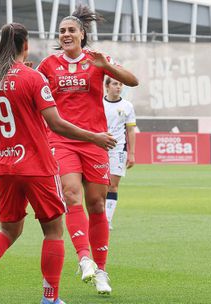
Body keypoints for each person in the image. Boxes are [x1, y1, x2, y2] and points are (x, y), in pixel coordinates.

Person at [0, 23, 116, 304]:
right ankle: (50, 298)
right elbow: (56, 123)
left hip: (5, 166)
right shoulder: (33, 78)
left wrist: (8, 141)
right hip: (37, 167)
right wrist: (94, 137)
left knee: (8, 230)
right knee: (54, 230)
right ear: (25, 45)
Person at [36, 5, 139, 295]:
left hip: (95, 141)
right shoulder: (48, 65)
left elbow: (133, 80)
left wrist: (106, 67)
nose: (66, 34)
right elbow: (33, 93)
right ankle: (84, 258)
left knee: (97, 205)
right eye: (62, 31)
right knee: (71, 194)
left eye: (71, 30)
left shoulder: (97, 60)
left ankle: (102, 271)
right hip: (61, 140)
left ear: (82, 34)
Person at [103, 77, 136, 230]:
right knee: (99, 187)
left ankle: (107, 220)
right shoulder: (98, 103)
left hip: (118, 149)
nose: (118, 87)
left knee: (113, 186)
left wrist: (132, 153)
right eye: (115, 84)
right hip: (98, 147)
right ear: (107, 86)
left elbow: (130, 130)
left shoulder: (127, 106)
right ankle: (99, 216)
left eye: (120, 84)